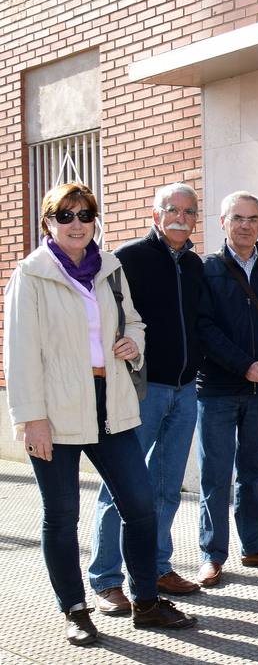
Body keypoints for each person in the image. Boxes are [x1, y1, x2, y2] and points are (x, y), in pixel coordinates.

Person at [6, 183, 195, 645]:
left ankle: (146, 602)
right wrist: (32, 419)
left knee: (140, 505)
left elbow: (133, 319)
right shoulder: (31, 275)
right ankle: (75, 610)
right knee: (62, 515)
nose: (76, 224)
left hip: (109, 402)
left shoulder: (109, 268)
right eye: (65, 215)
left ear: (95, 220)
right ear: (48, 222)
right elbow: (20, 353)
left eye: (84, 214)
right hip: (54, 409)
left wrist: (134, 344)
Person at [90, 182, 207, 609]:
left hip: (185, 389)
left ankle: (156, 567)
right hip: (141, 389)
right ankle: (106, 578)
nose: (181, 216)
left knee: (166, 486)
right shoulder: (127, 259)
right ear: (155, 215)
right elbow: (105, 318)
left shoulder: (196, 265)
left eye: (189, 210)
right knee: (120, 486)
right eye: (172, 209)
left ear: (196, 218)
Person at [194, 191, 258, 588]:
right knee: (215, 475)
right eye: (237, 218)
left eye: (253, 218)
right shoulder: (207, 270)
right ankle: (211, 554)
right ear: (222, 222)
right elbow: (204, 327)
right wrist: (245, 365)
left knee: (252, 471)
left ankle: (255, 545)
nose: (245, 225)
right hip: (218, 388)